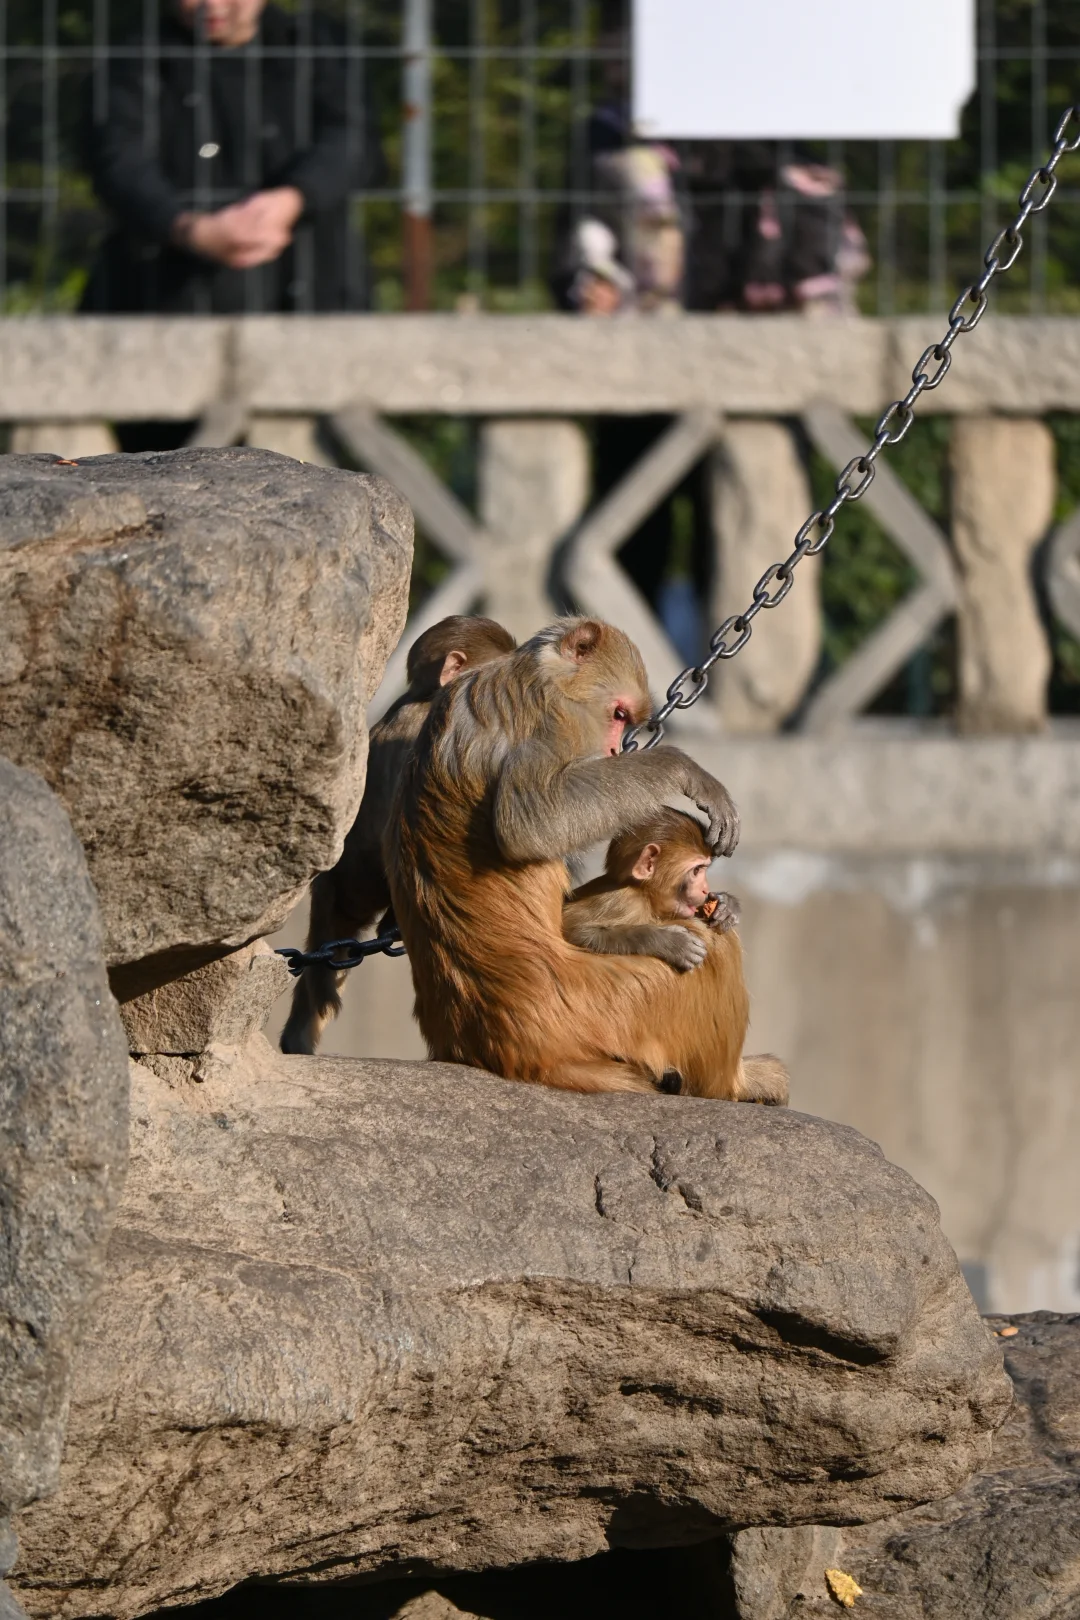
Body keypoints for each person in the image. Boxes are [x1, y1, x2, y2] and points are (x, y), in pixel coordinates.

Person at [81, 0, 381, 320]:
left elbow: (354, 142)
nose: (212, 4)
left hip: (314, 291)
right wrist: (188, 229)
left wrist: (292, 199)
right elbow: (118, 163)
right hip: (163, 298)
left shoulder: (317, 51)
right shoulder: (134, 61)